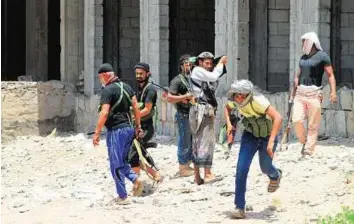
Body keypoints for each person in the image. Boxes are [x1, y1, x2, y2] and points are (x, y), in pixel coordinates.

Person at [226, 80, 283, 219]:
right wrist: (229, 125)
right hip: (250, 136)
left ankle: (275, 175)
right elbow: (227, 108)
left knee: (265, 168)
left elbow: (278, 117)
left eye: (242, 96)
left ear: (248, 94)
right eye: (237, 95)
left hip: (267, 136)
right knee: (241, 169)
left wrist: (271, 142)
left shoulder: (258, 100)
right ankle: (239, 207)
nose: (239, 98)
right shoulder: (234, 100)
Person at [92, 63, 144, 205]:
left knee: (115, 164)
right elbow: (136, 108)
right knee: (122, 161)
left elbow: (104, 112)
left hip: (116, 131)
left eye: (100, 78)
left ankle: (122, 196)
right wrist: (138, 127)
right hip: (129, 129)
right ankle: (136, 179)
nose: (100, 81)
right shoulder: (127, 87)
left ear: (104, 76)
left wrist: (97, 133)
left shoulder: (108, 91)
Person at [291, 31, 337, 156]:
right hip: (300, 93)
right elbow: (297, 76)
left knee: (313, 124)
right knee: (296, 120)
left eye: (304, 41)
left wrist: (333, 92)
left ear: (311, 42)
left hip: (314, 94)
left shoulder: (323, 56)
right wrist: (292, 94)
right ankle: (304, 141)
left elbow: (330, 75)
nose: (302, 44)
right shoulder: (303, 57)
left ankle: (308, 150)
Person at [189, 51, 228, 185]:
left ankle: (197, 177)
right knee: (206, 141)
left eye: (211, 63)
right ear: (200, 62)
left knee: (198, 142)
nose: (209, 66)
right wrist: (221, 63)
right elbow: (213, 76)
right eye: (206, 63)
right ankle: (207, 174)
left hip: (199, 110)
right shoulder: (198, 71)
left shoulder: (200, 72)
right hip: (202, 110)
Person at [128, 62, 161, 181]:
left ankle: (136, 183)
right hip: (138, 126)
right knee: (135, 154)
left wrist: (133, 117)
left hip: (146, 128)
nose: (138, 76)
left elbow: (147, 110)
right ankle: (155, 174)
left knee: (133, 155)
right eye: (137, 74)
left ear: (148, 74)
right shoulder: (139, 88)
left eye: (141, 74)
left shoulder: (150, 89)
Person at [166, 54, 195, 177]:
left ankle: (188, 164)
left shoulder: (190, 79)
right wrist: (184, 97)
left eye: (190, 64)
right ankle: (183, 167)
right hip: (183, 115)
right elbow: (169, 98)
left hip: (192, 114)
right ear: (182, 66)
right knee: (184, 141)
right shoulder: (177, 80)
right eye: (187, 64)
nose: (189, 67)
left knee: (191, 140)